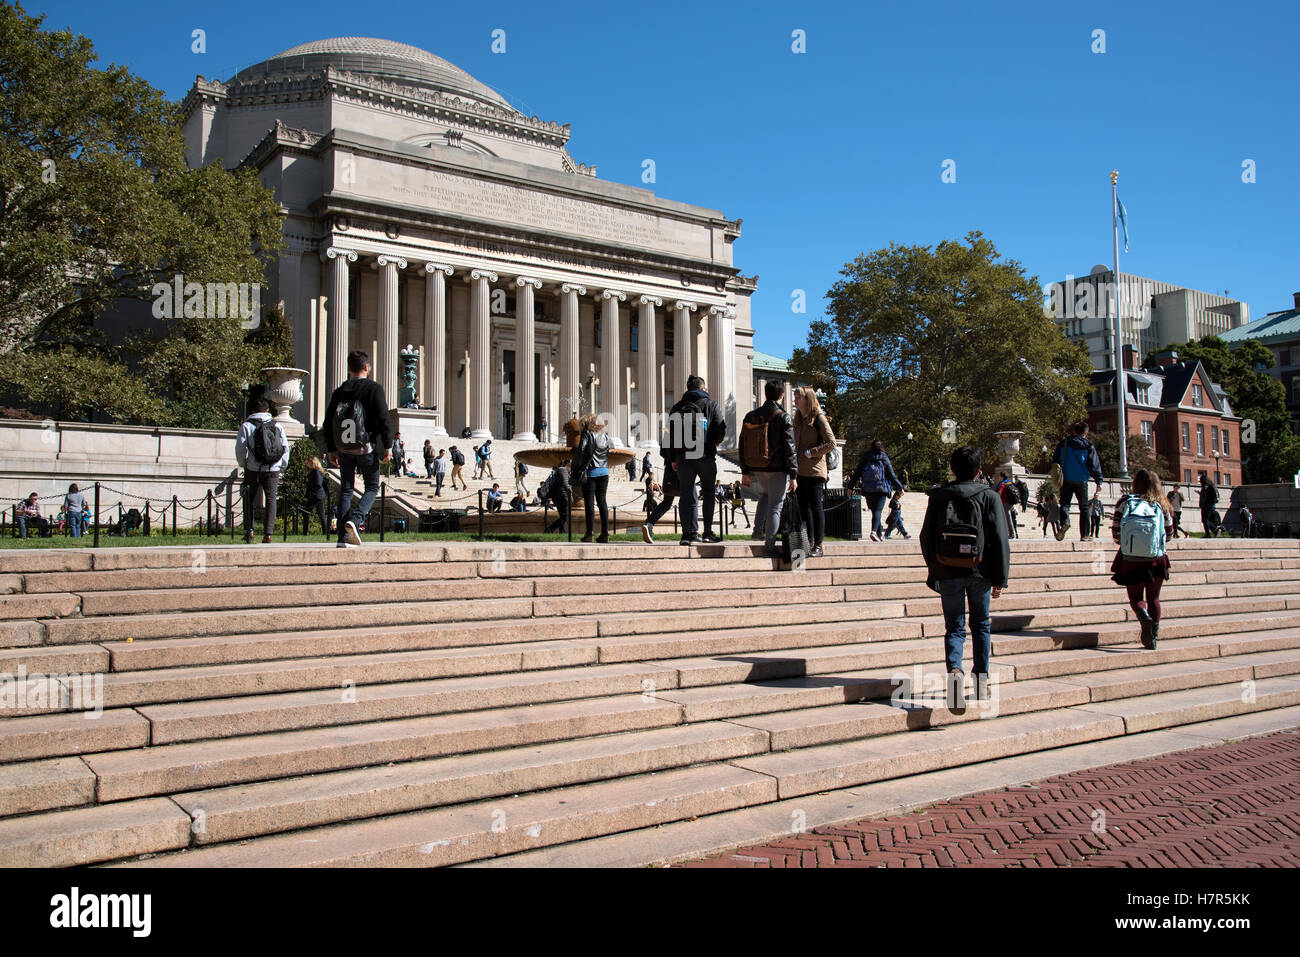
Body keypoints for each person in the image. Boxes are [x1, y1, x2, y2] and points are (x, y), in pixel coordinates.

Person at [920, 445, 1010, 713]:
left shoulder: (938, 497)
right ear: (979, 471)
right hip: (980, 572)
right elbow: (1000, 540)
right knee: (981, 624)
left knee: (955, 626)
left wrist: (935, 568)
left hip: (948, 571)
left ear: (952, 469)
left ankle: (955, 668)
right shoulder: (989, 496)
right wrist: (1000, 578)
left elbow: (926, 537)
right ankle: (981, 682)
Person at [324, 349, 393, 548]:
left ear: (349, 369)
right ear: (366, 367)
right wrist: (387, 445)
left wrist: (331, 448)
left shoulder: (339, 391)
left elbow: (328, 421)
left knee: (346, 489)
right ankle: (355, 520)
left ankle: (342, 538)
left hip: (344, 448)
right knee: (371, 487)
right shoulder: (373, 389)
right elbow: (383, 419)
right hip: (365, 447)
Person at [1111, 468, 1174, 649]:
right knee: (1154, 597)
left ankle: (1143, 617)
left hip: (1131, 559)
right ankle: (1153, 637)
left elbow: (1116, 532)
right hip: (1157, 559)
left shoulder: (1125, 502)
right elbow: (1169, 535)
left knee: (1136, 597)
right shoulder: (1161, 505)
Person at [739, 381, 797, 558]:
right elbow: (790, 447)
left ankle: (757, 532)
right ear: (781, 396)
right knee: (775, 507)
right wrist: (794, 474)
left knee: (764, 496)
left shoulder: (751, 416)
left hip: (757, 466)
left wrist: (745, 471)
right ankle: (769, 547)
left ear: (765, 394)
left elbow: (743, 445)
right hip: (777, 468)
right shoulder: (784, 417)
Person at [668, 375, 727, 546]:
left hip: (683, 456)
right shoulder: (711, 404)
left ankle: (688, 534)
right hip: (705, 454)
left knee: (686, 493)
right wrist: (715, 441)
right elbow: (720, 428)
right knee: (708, 492)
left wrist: (673, 458)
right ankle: (707, 532)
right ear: (702, 388)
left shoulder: (677, 407)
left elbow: (670, 435)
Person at [235, 396, 290, 543]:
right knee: (271, 500)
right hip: (273, 469)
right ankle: (268, 534)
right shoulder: (277, 425)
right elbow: (285, 447)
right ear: (267, 410)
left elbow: (240, 449)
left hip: (252, 468)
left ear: (252, 410)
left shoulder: (246, 426)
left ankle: (249, 531)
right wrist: (282, 465)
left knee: (249, 499)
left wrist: (244, 463)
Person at [793, 385, 836, 558]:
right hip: (800, 471)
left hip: (816, 471)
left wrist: (812, 452)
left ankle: (818, 544)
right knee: (804, 509)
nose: (795, 400)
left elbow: (831, 442)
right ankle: (808, 542)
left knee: (816, 507)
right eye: (794, 397)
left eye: (798, 397)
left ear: (807, 399)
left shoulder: (819, 418)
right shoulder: (798, 419)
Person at [1051, 422, 1103, 541]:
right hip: (1081, 479)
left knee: (1065, 504)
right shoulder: (1088, 446)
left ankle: (1065, 521)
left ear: (1074, 431)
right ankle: (1085, 534)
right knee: (1084, 507)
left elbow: (1055, 461)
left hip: (1066, 478)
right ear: (1086, 432)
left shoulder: (1063, 444)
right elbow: (1094, 465)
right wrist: (1099, 481)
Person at [850, 439, 904, 542]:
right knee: (878, 511)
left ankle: (880, 535)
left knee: (875, 512)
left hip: (868, 489)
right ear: (881, 447)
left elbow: (857, 473)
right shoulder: (884, 457)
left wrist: (850, 486)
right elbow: (891, 474)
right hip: (881, 488)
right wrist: (900, 487)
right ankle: (874, 531)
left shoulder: (865, 457)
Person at [572, 413, 612, 542]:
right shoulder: (604, 435)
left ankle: (589, 533)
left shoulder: (586, 434)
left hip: (591, 472)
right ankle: (605, 533)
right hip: (604, 471)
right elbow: (609, 450)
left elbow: (581, 451)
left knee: (589, 503)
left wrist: (575, 454)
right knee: (602, 502)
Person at [641, 458, 680, 544]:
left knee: (667, 502)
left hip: (669, 470)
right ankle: (690, 533)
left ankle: (649, 524)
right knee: (689, 500)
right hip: (683, 467)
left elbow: (663, 450)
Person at [545, 462, 572, 534]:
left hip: (559, 497)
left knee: (563, 516)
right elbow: (565, 484)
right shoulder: (563, 470)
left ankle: (562, 532)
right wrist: (571, 492)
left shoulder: (559, 471)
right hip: (563, 497)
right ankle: (550, 529)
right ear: (568, 466)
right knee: (565, 517)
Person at [305, 456, 329, 534]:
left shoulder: (316, 472)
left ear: (312, 462)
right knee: (320, 514)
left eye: (308, 462)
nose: (306, 464)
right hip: (318, 495)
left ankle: (305, 532)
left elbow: (318, 484)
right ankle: (325, 532)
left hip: (316, 496)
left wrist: (311, 489)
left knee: (308, 512)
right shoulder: (315, 471)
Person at [996, 472, 1018, 539]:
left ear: (1002, 477)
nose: (998, 478)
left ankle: (1011, 534)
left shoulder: (1003, 484)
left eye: (999, 476)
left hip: (1004, 503)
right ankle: (1010, 534)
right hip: (1009, 503)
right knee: (1008, 518)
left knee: (1008, 518)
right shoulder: (1009, 483)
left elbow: (999, 493)